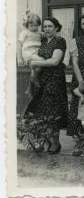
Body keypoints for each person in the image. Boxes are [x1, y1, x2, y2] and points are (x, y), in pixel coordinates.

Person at [24, 17, 68, 154]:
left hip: (54, 81)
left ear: (56, 27)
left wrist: (34, 63)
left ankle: (55, 143)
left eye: (50, 26)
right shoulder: (42, 41)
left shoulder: (60, 41)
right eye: (45, 26)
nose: (47, 29)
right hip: (41, 80)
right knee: (41, 111)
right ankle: (44, 140)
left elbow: (55, 61)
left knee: (53, 112)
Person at [17, 11, 44, 97]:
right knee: (43, 61)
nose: (33, 27)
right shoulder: (25, 32)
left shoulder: (39, 33)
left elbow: (44, 36)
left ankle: (30, 87)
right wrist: (19, 58)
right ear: (27, 25)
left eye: (35, 25)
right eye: (31, 26)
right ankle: (34, 80)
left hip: (36, 53)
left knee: (37, 68)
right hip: (28, 53)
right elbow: (19, 45)